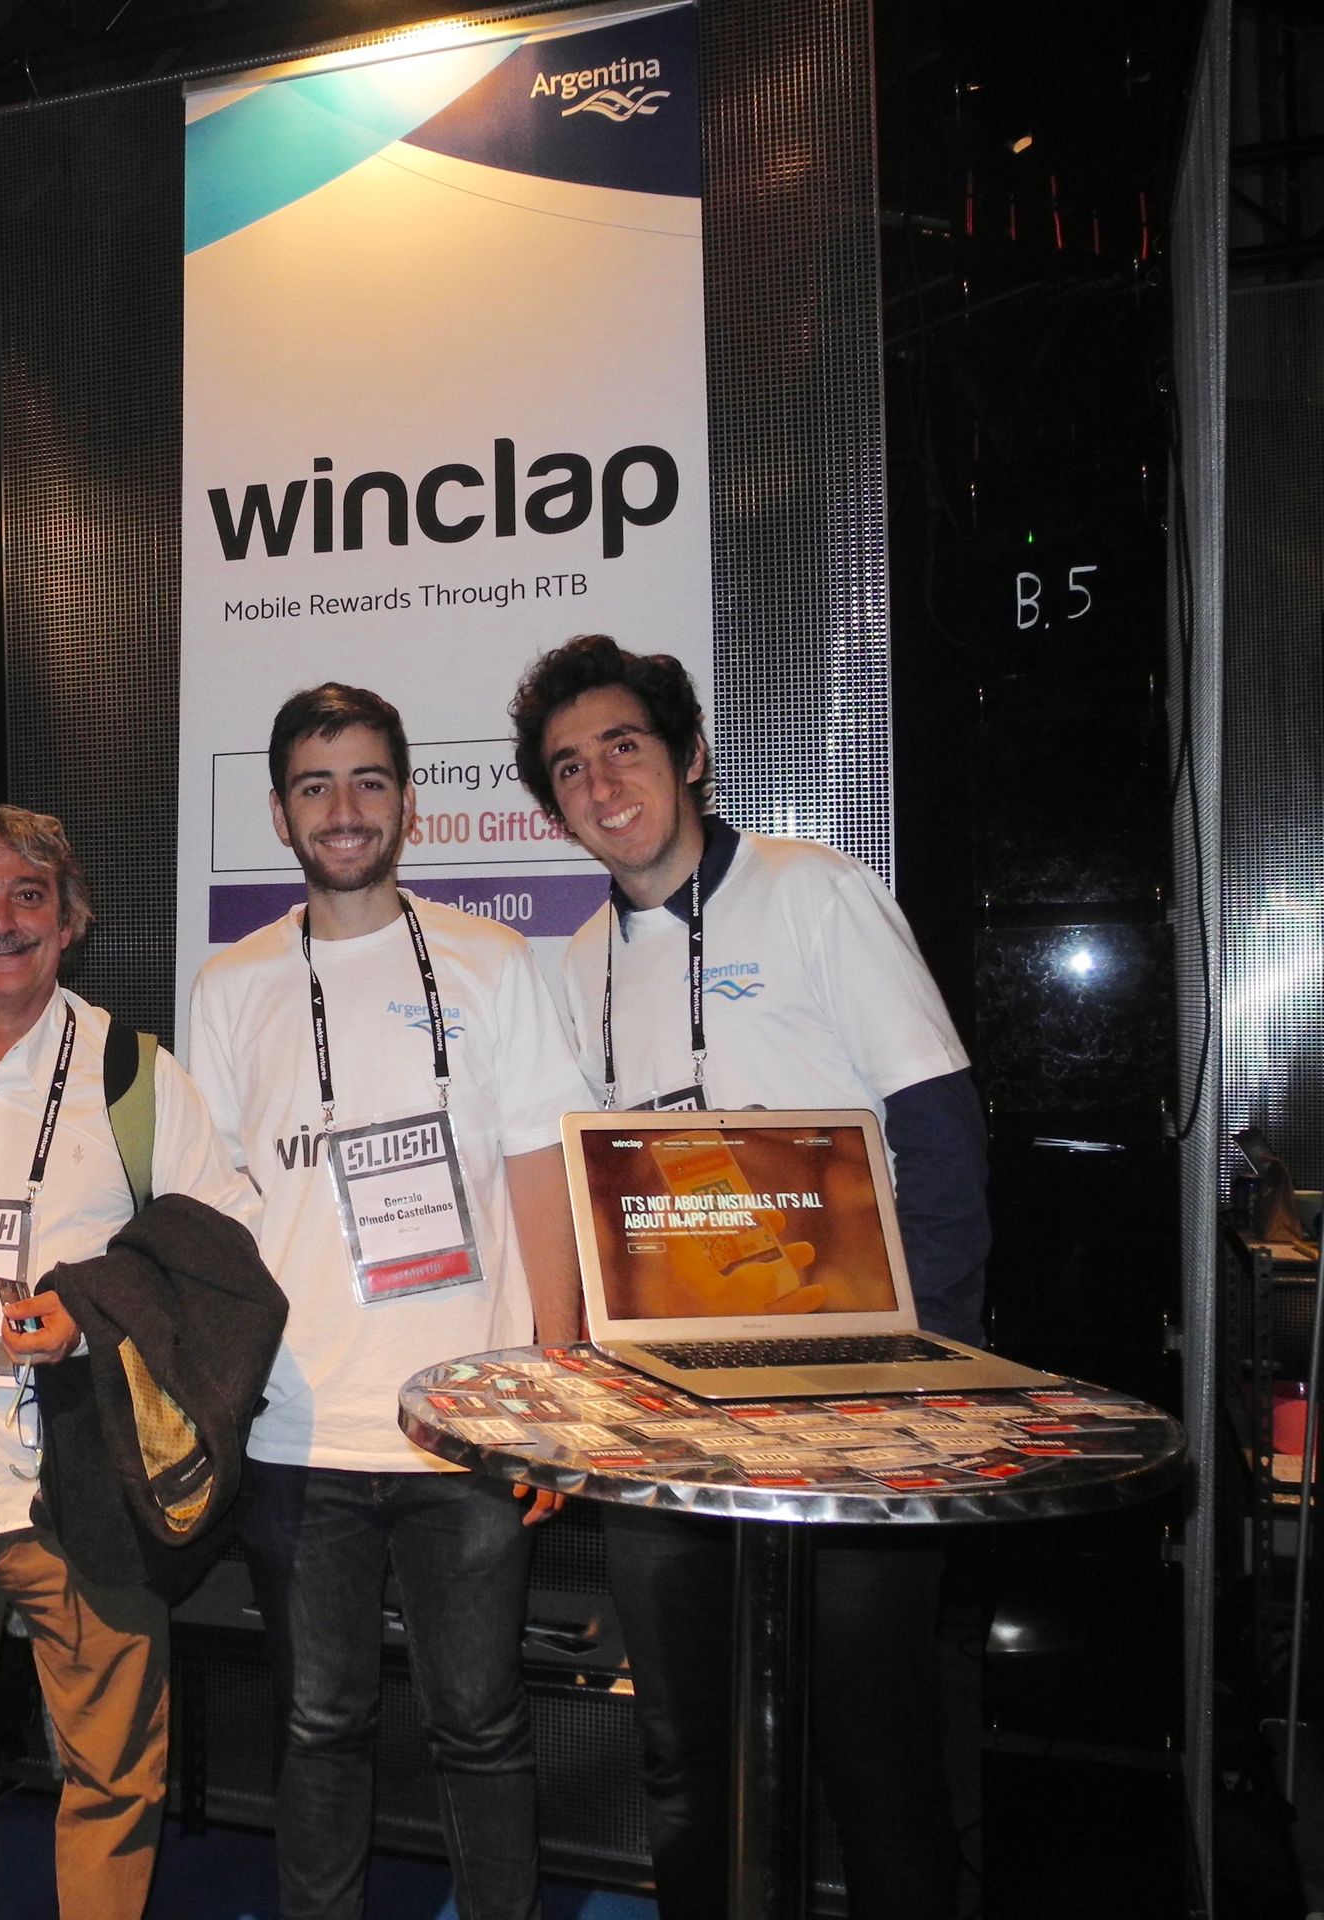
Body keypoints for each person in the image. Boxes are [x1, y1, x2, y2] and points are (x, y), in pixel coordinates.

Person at [509, 632, 981, 1920]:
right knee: (687, 1758)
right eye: (569, 768)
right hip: (670, 1415)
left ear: (690, 756)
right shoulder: (576, 964)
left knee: (876, 1755)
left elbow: (940, 1135)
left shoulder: (813, 892)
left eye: (623, 747)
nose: (601, 783)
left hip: (856, 1406)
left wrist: (927, 1379)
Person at [184, 683, 589, 1920]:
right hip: (298, 1433)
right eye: (315, 786)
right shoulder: (231, 985)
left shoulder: (491, 961)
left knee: (480, 1722)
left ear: (409, 802)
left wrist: (555, 1391)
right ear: (279, 813)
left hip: (467, 1422)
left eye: (367, 781)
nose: (343, 808)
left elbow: (543, 1170)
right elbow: (212, 1213)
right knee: (318, 1724)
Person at [0, 805, 260, 1920]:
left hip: (82, 1490)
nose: (1, 920)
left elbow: (222, 1259)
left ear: (69, 921)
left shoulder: (136, 1075)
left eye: (29, 895)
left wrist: (90, 1313)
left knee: (113, 1780)